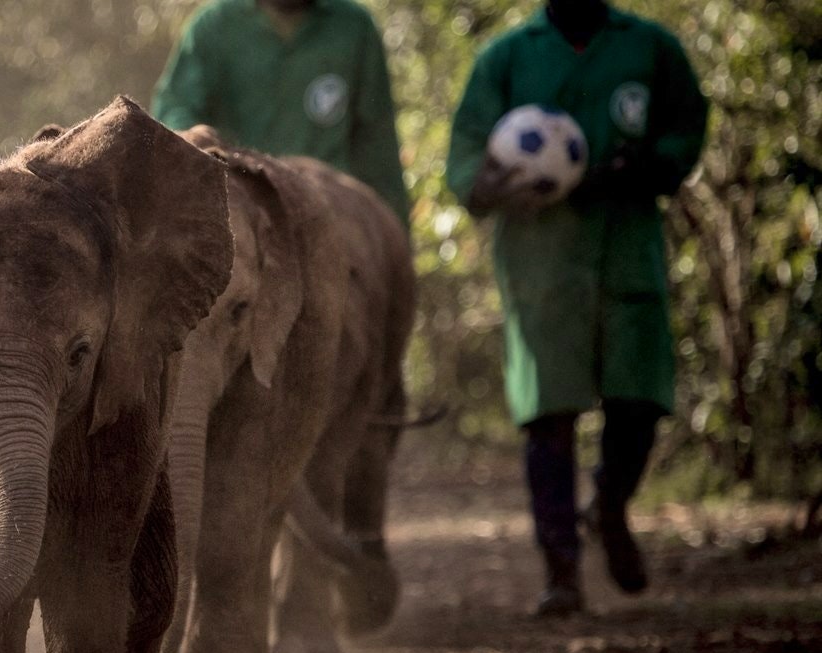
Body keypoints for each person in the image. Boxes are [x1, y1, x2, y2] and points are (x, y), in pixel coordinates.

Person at [446, 0, 708, 617]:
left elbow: (686, 125)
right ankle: (560, 570)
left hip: (626, 249)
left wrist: (651, 163)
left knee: (639, 399)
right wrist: (485, 186)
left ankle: (610, 505)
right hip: (541, 262)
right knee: (549, 415)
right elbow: (465, 154)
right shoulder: (507, 57)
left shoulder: (649, 47)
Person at [150, 0, 409, 220]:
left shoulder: (354, 28)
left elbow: (378, 146)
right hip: (239, 216)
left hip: (330, 216)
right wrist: (201, 145)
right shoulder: (213, 26)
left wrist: (396, 242)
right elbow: (174, 111)